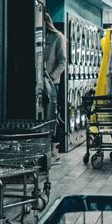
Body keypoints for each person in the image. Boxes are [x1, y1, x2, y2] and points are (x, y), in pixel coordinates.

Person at [44, 12, 67, 162]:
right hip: (38, 83)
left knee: (51, 114)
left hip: (52, 83)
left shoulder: (58, 37)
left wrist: (51, 78)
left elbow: (62, 61)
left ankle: (54, 148)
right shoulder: (37, 36)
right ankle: (44, 148)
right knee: (41, 116)